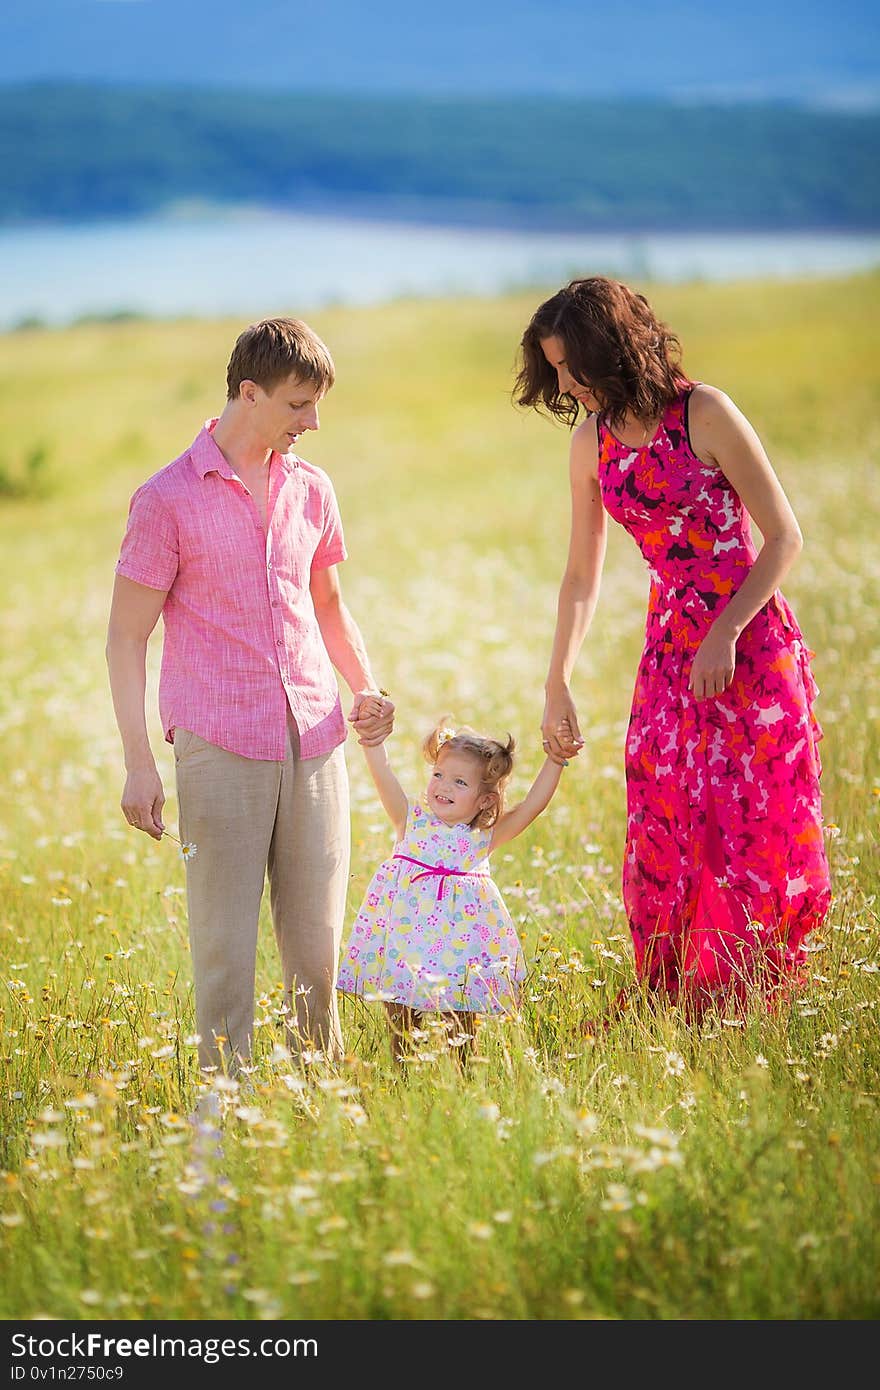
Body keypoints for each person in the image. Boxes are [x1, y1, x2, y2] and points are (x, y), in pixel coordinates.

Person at [515, 276, 831, 1013]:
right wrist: (556, 680)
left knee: (755, 820)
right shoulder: (589, 441)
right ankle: (683, 1005)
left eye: (572, 365)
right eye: (554, 368)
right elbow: (580, 578)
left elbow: (785, 538)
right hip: (667, 658)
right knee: (669, 820)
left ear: (611, 349)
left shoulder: (704, 411)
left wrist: (726, 630)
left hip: (749, 647)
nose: (564, 382)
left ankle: (756, 999)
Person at [106, 316, 393, 1073]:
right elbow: (125, 639)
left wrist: (366, 686)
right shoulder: (166, 499)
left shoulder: (312, 488)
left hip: (316, 735)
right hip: (219, 743)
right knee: (225, 947)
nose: (314, 421)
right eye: (299, 405)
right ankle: (221, 1107)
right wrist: (140, 764)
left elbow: (327, 604)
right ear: (248, 392)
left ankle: (316, 1098)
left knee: (317, 947)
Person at [336, 709, 565, 1061]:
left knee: (459, 1014)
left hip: (459, 948)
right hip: (407, 940)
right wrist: (373, 741)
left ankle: (463, 1073)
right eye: (439, 774)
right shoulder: (409, 820)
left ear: (485, 799)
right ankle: (401, 1070)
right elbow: (383, 774)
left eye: (460, 782)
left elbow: (530, 807)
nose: (443, 786)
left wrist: (555, 760)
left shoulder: (482, 838)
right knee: (400, 1010)